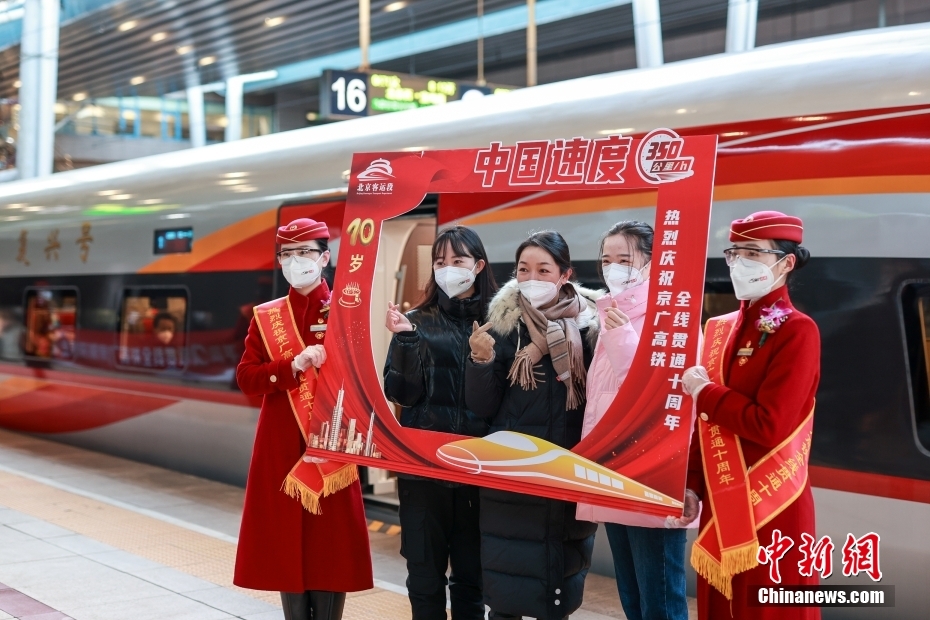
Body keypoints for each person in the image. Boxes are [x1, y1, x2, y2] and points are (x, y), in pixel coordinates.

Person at [680, 211, 819, 620]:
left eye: (753, 253)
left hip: (773, 506)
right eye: (734, 252)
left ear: (786, 262)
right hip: (720, 501)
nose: (740, 262)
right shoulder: (721, 327)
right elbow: (705, 426)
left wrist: (705, 392)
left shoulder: (798, 331)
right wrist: (692, 485)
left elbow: (770, 424)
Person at [234, 218, 373, 620]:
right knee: (284, 546)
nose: (296, 262)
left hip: (330, 444)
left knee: (329, 547)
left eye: (305, 253)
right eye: (287, 255)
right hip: (280, 445)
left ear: (325, 258)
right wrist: (291, 365)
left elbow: (367, 379)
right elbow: (247, 378)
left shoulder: (349, 311)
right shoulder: (267, 316)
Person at [465, 230, 600, 620]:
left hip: (566, 473)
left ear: (565, 274)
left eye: (544, 269)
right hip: (512, 475)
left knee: (556, 593)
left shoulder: (592, 328)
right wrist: (481, 362)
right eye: (524, 269)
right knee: (505, 594)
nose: (532, 278)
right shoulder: (502, 327)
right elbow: (482, 407)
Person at [575, 221, 691, 620]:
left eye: (625, 259)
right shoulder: (611, 314)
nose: (612, 268)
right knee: (634, 600)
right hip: (613, 472)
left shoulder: (668, 317)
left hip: (650, 476)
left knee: (660, 602)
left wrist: (622, 340)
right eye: (606, 259)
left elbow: (656, 398)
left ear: (654, 264)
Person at [383, 225, 498, 620]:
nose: (448, 269)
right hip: (422, 472)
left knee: (472, 580)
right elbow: (401, 395)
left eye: (459, 261)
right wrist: (405, 342)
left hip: (479, 471)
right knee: (425, 577)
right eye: (440, 261)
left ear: (478, 265)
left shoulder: (501, 322)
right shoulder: (414, 321)